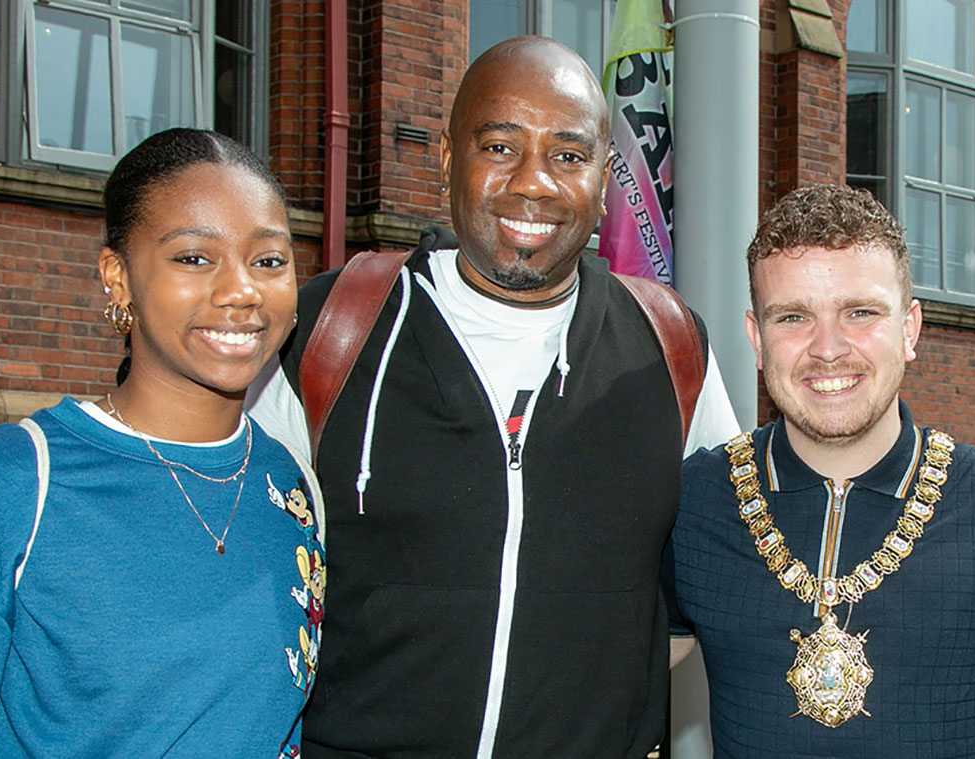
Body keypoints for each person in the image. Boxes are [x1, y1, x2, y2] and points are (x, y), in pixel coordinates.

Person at [246, 35, 738, 758]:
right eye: (501, 147)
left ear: (605, 178)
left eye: (568, 156)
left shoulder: (670, 347)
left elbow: (740, 570)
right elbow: (227, 565)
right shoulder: (329, 332)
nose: (532, 183)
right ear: (448, 157)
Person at [0, 128, 322, 757]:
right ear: (117, 278)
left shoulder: (288, 484)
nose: (242, 291)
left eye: (268, 260)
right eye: (194, 258)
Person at [667, 184, 975, 758]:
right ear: (757, 339)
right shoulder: (691, 501)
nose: (828, 348)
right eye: (793, 317)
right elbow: (610, 674)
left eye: (860, 312)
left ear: (909, 329)